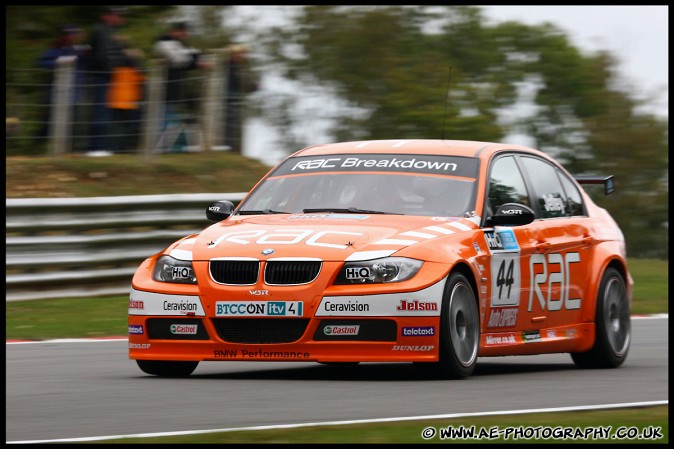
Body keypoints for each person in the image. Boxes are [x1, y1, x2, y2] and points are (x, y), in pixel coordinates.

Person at [153, 21, 211, 152]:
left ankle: (162, 148)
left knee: (169, 120)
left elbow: (188, 56)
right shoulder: (163, 42)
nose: (185, 35)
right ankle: (158, 149)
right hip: (163, 89)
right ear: (176, 31)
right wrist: (196, 62)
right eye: (184, 32)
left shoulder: (176, 44)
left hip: (172, 89)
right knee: (162, 120)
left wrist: (197, 59)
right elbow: (178, 59)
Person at [36, 24, 89, 146]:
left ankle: (68, 149)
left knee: (72, 123)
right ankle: (38, 147)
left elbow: (92, 59)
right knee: (49, 123)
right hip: (56, 94)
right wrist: (60, 62)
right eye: (71, 34)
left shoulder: (81, 50)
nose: (73, 37)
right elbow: (42, 62)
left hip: (74, 95)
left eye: (75, 34)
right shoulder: (56, 50)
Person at [85, 6, 128, 155]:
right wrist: (112, 69)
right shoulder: (102, 31)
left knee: (103, 111)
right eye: (117, 15)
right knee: (100, 111)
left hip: (105, 75)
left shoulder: (109, 32)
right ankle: (96, 147)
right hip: (101, 76)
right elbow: (102, 56)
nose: (120, 18)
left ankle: (98, 146)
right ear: (107, 16)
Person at [106, 36, 145, 153]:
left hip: (114, 99)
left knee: (114, 127)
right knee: (129, 127)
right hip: (129, 100)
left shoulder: (112, 60)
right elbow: (140, 79)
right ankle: (126, 148)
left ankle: (114, 148)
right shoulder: (134, 62)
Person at [223, 44, 258, 154]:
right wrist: (252, 84)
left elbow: (248, 85)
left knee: (235, 131)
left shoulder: (237, 68)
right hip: (230, 102)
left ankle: (234, 152)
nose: (243, 56)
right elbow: (243, 83)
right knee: (231, 131)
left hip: (235, 102)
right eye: (240, 53)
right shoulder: (229, 68)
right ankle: (232, 152)